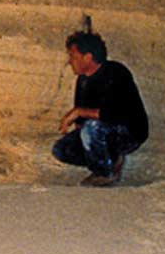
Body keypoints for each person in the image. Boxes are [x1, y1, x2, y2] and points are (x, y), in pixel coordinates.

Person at [52, 31, 149, 187]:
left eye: (73, 56)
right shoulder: (83, 80)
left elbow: (113, 113)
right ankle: (111, 159)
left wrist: (78, 113)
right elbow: (81, 121)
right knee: (61, 149)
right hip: (100, 132)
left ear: (88, 57)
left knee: (92, 128)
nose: (70, 62)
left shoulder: (116, 72)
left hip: (129, 132)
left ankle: (105, 173)